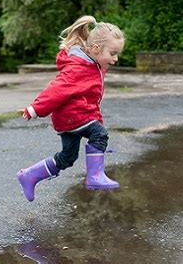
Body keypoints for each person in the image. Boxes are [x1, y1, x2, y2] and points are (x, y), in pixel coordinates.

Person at [17, 15, 125, 202]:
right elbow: (57, 90)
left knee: (68, 157)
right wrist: (35, 109)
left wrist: (98, 147)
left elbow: (90, 101)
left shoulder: (93, 64)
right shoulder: (78, 68)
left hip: (72, 118)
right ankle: (95, 176)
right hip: (72, 116)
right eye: (113, 53)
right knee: (99, 134)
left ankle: (29, 176)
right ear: (97, 49)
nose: (115, 59)